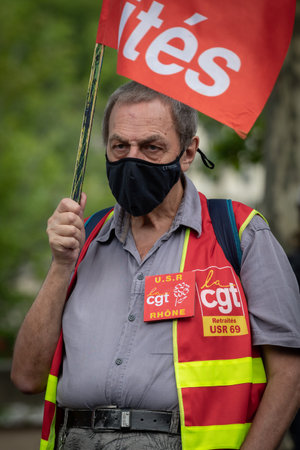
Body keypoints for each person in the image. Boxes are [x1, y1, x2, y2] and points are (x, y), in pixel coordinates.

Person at [11, 81, 300, 450]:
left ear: (188, 152)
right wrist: (60, 265)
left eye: (151, 147)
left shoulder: (239, 234)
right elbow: (26, 377)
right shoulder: (84, 240)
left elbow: (289, 374)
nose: (133, 160)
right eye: (120, 146)